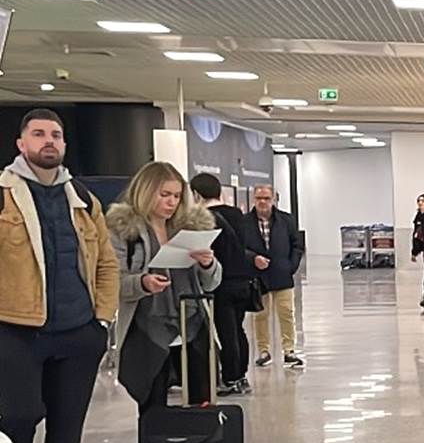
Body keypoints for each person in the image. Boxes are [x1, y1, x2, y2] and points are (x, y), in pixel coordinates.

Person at [0, 108, 117, 443]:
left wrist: (101, 320)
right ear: (21, 143)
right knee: (19, 417)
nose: (48, 141)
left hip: (77, 331)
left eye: (56, 134)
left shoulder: (83, 199)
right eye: (38, 134)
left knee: (68, 425)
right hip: (16, 331)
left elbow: (106, 262)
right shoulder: (4, 194)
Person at [107, 162, 223, 411]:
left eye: (177, 196)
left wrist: (207, 263)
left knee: (202, 404)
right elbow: (113, 281)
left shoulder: (190, 227)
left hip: (192, 324)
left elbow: (212, 282)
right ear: (146, 191)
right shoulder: (123, 230)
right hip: (146, 328)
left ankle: (197, 438)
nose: (171, 202)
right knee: (152, 404)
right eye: (165, 195)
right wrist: (142, 282)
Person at [191, 173, 256, 395]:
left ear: (196, 194)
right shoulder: (237, 214)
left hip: (221, 281)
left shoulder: (204, 219)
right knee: (238, 329)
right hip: (243, 280)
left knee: (226, 332)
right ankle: (241, 376)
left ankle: (230, 378)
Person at [238, 184, 304, 367]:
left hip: (282, 275)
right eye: (259, 198)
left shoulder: (286, 220)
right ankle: (264, 351)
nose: (262, 202)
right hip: (258, 277)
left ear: (273, 199)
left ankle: (289, 351)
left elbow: (297, 245)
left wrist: (291, 266)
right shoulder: (244, 222)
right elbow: (239, 247)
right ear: (253, 199)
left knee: (287, 313)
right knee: (260, 315)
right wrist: (253, 259)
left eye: (266, 198)